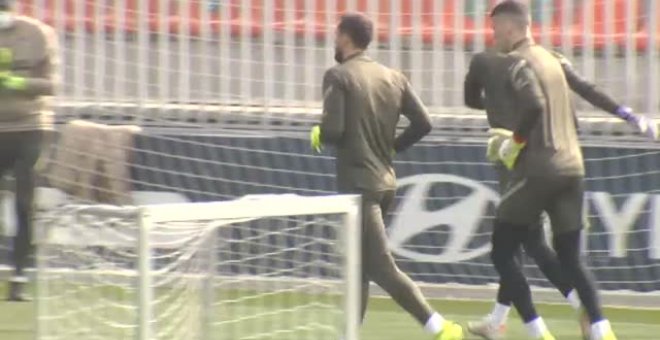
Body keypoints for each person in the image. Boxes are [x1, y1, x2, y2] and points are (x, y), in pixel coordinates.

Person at [464, 35, 657, 340]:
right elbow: (587, 90)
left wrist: (502, 110)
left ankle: (544, 324)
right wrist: (629, 115)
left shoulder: (486, 61)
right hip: (565, 156)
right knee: (532, 244)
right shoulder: (552, 59)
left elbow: (471, 100)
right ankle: (503, 320)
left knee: (520, 244)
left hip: (518, 156)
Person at [310, 12, 463, 340]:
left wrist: (319, 133)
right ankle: (349, 334)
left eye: (337, 35)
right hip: (386, 182)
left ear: (346, 37)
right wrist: (392, 147)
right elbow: (424, 123)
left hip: (359, 186)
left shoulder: (339, 75)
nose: (334, 41)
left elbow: (335, 130)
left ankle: (441, 328)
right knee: (360, 267)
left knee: (379, 267)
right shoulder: (393, 77)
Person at [0, 0, 58, 301]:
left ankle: (19, 280)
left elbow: (51, 84)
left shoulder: (37, 34)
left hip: (29, 128)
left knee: (24, 205)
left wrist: (18, 82)